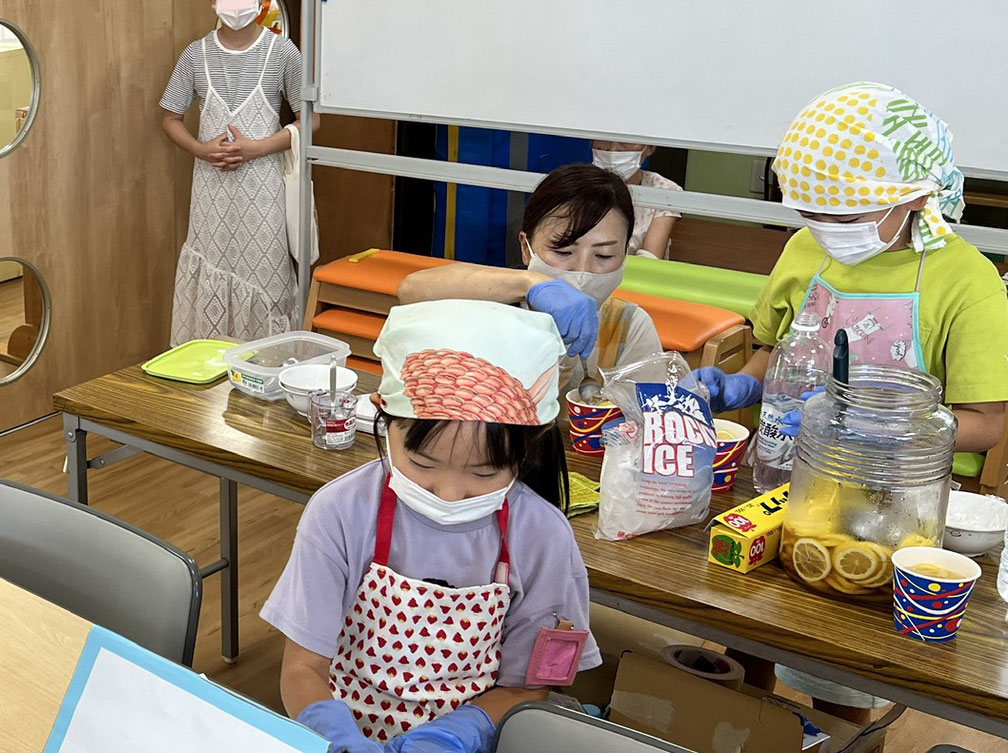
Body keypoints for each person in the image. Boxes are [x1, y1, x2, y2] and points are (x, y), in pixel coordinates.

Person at [688, 82, 1008, 719]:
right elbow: (770, 348)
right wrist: (745, 384)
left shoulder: (964, 281)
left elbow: (987, 424)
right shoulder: (805, 249)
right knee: (746, 627)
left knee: (847, 660)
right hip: (781, 477)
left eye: (847, 217)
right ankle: (747, 740)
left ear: (914, 196)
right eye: (814, 214)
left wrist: (882, 433)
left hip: (887, 507)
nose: (827, 231)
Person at [265, 301, 596, 753]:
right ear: (383, 417)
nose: (449, 494)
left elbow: (529, 688)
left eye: (485, 473)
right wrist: (332, 740)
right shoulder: (340, 513)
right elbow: (303, 667)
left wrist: (452, 738)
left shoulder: (542, 538)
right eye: (422, 464)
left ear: (527, 448)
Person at [396, 163, 662, 401]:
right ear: (526, 248)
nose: (583, 271)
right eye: (563, 252)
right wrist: (530, 284)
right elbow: (411, 290)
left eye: (604, 255)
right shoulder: (492, 304)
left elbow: (652, 421)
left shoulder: (628, 328)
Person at [158, 0, 312, 343]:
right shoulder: (195, 55)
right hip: (211, 194)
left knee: (267, 280)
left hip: (263, 192)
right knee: (211, 270)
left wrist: (259, 147)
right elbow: (170, 118)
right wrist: (201, 149)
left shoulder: (283, 53)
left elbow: (311, 121)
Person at [593, 141, 681, 258]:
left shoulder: (664, 189)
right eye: (605, 137)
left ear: (650, 148)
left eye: (627, 141)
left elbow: (650, 258)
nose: (613, 149)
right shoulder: (575, 185)